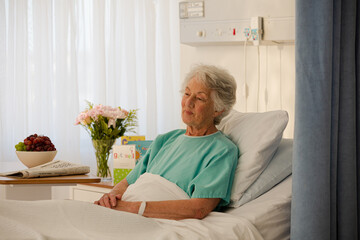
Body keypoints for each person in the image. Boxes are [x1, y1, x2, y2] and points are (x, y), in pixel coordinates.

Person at [95, 64, 238, 220]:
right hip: (126, 212)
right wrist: (110, 198)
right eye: (187, 93)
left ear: (218, 109)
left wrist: (131, 208)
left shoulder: (222, 150)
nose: (188, 102)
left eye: (199, 98)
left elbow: (199, 208)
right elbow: (127, 182)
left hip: (150, 219)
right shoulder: (166, 139)